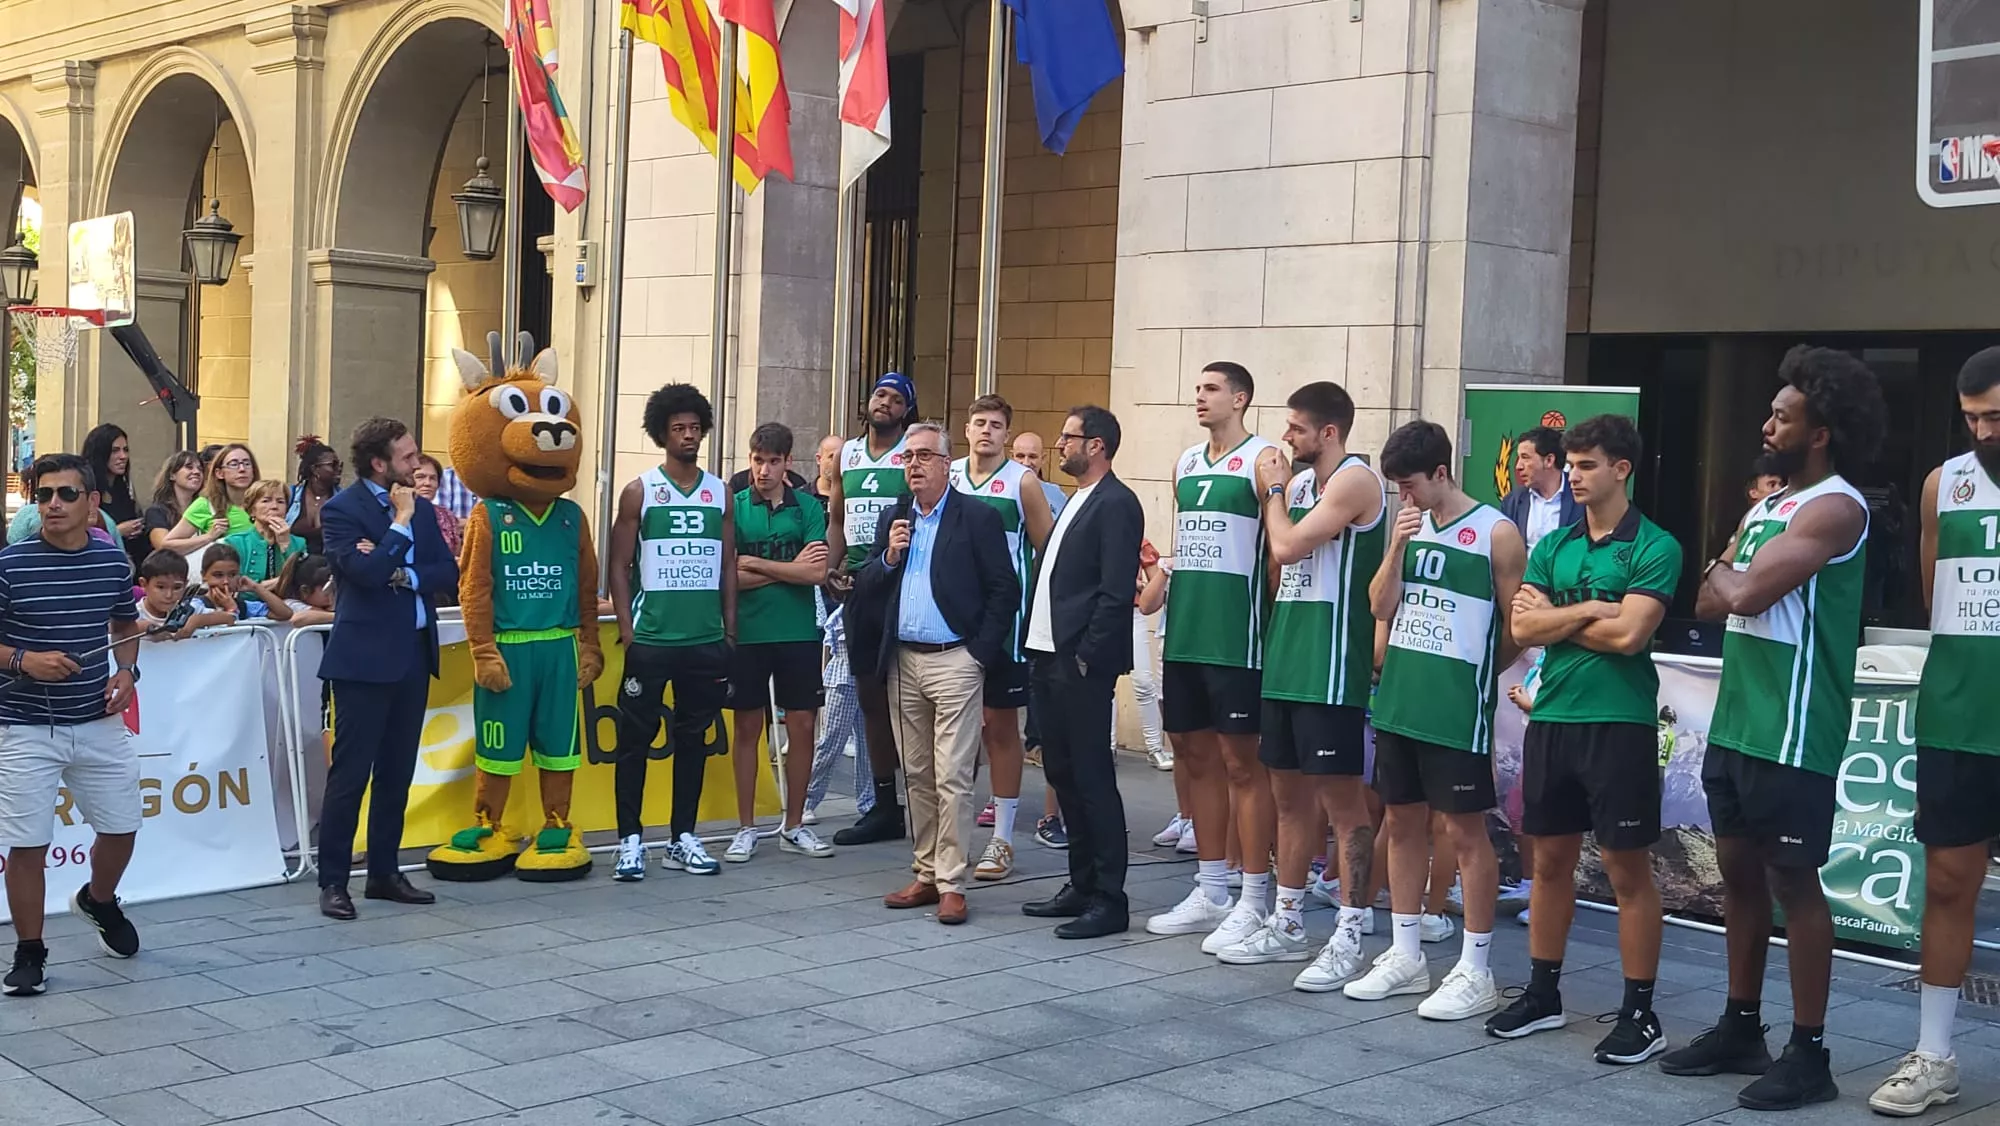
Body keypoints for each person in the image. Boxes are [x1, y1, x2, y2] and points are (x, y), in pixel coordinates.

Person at [1667, 345, 1885, 1110]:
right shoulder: (1767, 506)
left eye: (1782, 415)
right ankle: (1741, 1025)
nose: (1766, 423)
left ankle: (1810, 1050)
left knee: (1796, 883)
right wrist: (1729, 579)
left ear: (1819, 431)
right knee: (1736, 875)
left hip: (1795, 729)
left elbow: (1745, 590)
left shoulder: (1837, 507)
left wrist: (1730, 577)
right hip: (1738, 724)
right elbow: (1702, 597)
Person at [1485, 414, 1681, 1065]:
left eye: (1587, 464)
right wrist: (1593, 608)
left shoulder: (1655, 545)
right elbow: (1524, 629)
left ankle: (1639, 1012)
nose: (1573, 474)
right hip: (1554, 720)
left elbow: (1631, 637)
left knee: (1628, 869)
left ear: (1621, 469)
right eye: (1569, 464)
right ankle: (1543, 994)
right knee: (1547, 863)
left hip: (1617, 723)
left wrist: (1560, 619)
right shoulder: (1555, 544)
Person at [1344, 420, 1525, 1021]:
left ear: (1441, 473)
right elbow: (1378, 605)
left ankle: (1475, 968)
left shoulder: (1495, 533)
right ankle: (1404, 952)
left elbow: (1517, 626)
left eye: (1410, 486)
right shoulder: (1410, 526)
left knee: (1464, 832)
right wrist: (1396, 544)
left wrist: (1474, 678)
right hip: (1399, 699)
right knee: (1402, 820)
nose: (1404, 497)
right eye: (1396, 487)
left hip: (1455, 709)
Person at [1214, 383, 1388, 991]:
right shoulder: (1307, 486)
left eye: (1294, 428)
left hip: (1330, 667)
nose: (1284, 438)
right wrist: (1284, 494)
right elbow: (1278, 564)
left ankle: (1350, 929)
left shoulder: (1354, 480)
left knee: (1343, 806)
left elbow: (1285, 543)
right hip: (1286, 659)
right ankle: (1287, 921)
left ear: (1329, 432)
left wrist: (1275, 490)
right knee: (1288, 799)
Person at [1870, 347, 2000, 1117]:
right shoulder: (1940, 484)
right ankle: (1934, 1054)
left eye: (1998, 417)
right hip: (1958, 714)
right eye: (1973, 418)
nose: (1984, 432)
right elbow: (1933, 597)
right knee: (1950, 883)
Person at [1146, 362, 1288, 955]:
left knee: (1243, 766)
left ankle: (1254, 899)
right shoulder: (1184, 462)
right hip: (1186, 635)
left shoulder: (1263, 459)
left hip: (1239, 639)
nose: (1199, 397)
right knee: (1193, 756)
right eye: (1197, 389)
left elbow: (1278, 556)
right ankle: (1211, 889)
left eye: (1211, 389)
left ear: (1241, 397)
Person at [852, 421, 1017, 926]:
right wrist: (888, 555)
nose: (915, 465)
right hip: (904, 660)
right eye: (908, 458)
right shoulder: (894, 517)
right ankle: (925, 873)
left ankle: (952, 882)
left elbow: (1003, 590)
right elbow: (868, 585)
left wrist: (978, 654)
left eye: (925, 456)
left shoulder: (977, 518)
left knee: (952, 775)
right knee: (918, 774)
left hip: (955, 660)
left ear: (948, 464)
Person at [0, 453, 147, 997]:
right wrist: (23, 660)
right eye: (43, 495)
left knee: (121, 827)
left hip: (96, 718)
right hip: (23, 724)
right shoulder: (10, 564)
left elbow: (125, 622)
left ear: (93, 502)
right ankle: (30, 952)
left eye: (65, 494)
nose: (52, 505)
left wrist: (128, 670)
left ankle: (98, 900)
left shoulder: (112, 563)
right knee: (27, 844)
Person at [315, 418, 458, 921]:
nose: (417, 463)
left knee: (397, 772)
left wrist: (401, 570)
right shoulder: (342, 510)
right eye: (407, 455)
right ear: (379, 463)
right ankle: (333, 880)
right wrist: (397, 526)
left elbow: (447, 571)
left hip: (415, 654)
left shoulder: (424, 510)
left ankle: (384, 871)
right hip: (364, 660)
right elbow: (365, 575)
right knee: (351, 775)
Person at [1019, 405, 1144, 938]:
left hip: (1079, 661)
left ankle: (1109, 898)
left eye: (1068, 436)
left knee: (1092, 778)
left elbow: (1116, 591)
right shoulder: (1074, 500)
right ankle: (1080, 881)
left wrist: (1089, 653)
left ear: (1096, 445)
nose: (1058, 444)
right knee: (1061, 773)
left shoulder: (1117, 503)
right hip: (1047, 654)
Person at [607, 384, 735, 880]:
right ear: (662, 433)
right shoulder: (640, 489)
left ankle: (683, 836)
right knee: (634, 743)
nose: (688, 435)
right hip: (651, 641)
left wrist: (730, 634)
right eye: (678, 428)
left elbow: (727, 564)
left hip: (704, 642)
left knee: (693, 740)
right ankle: (630, 840)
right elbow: (619, 566)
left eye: (695, 427)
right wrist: (627, 630)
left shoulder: (719, 491)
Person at [951, 395, 1056, 882]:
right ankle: (949, 837)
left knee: (999, 728)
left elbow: (1048, 550)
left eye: (996, 424)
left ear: (1007, 435)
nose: (987, 431)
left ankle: (1003, 838)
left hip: (1004, 626)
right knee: (949, 733)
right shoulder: (946, 474)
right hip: (949, 620)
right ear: (966, 430)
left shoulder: (1022, 481)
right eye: (980, 423)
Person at [722, 422, 835, 863]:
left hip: (799, 632)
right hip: (747, 633)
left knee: (803, 725)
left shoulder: (807, 507)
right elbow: (725, 576)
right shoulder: (733, 506)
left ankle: (794, 824)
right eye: (757, 460)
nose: (763, 470)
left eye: (772, 461)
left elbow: (815, 573)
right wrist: (781, 570)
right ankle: (746, 827)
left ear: (788, 462)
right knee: (749, 728)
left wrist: (753, 562)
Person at [825, 373, 917, 846]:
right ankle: (884, 805)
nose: (886, 402)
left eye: (897, 399)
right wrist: (832, 565)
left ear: (907, 412)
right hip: (861, 583)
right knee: (868, 697)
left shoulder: (910, 453)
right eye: (881, 394)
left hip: (901, 581)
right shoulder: (849, 454)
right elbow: (838, 518)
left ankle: (926, 800)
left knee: (912, 697)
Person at [160, 442, 258, 555]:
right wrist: (209, 537)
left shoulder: (265, 503)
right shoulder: (206, 504)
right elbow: (167, 546)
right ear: (219, 473)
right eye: (234, 464)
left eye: (247, 463)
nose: (242, 469)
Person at [82, 424, 148, 570]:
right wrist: (118, 531)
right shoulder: (85, 491)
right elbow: (79, 535)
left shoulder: (124, 489)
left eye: (125, 450)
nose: (123, 456)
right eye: (114, 451)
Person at [223, 480, 306, 585]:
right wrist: (282, 581)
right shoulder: (235, 542)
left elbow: (302, 583)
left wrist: (286, 545)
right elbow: (238, 586)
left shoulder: (299, 543)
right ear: (252, 509)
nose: (274, 506)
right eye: (266, 501)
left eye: (280, 501)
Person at [190, 543, 295, 622]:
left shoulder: (244, 606)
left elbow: (285, 614)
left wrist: (256, 587)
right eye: (218, 575)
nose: (226, 582)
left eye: (232, 575)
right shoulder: (195, 606)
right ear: (204, 576)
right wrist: (231, 609)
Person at [288, 436, 342, 556]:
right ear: (315, 469)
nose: (339, 469)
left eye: (340, 464)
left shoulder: (343, 501)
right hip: (293, 566)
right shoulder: (290, 496)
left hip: (328, 568)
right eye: (333, 465)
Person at [144, 451, 205, 555]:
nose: (196, 472)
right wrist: (208, 538)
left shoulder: (205, 509)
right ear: (172, 475)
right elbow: (163, 548)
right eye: (189, 467)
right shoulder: (157, 511)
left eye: (200, 469)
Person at [412, 455, 464, 559]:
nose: (427, 483)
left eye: (433, 478)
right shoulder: (396, 512)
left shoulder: (446, 515)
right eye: (420, 477)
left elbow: (457, 553)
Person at [275, 553, 336, 628]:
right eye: (326, 591)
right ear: (305, 591)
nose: (331, 593)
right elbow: (298, 618)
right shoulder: (290, 604)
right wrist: (339, 616)